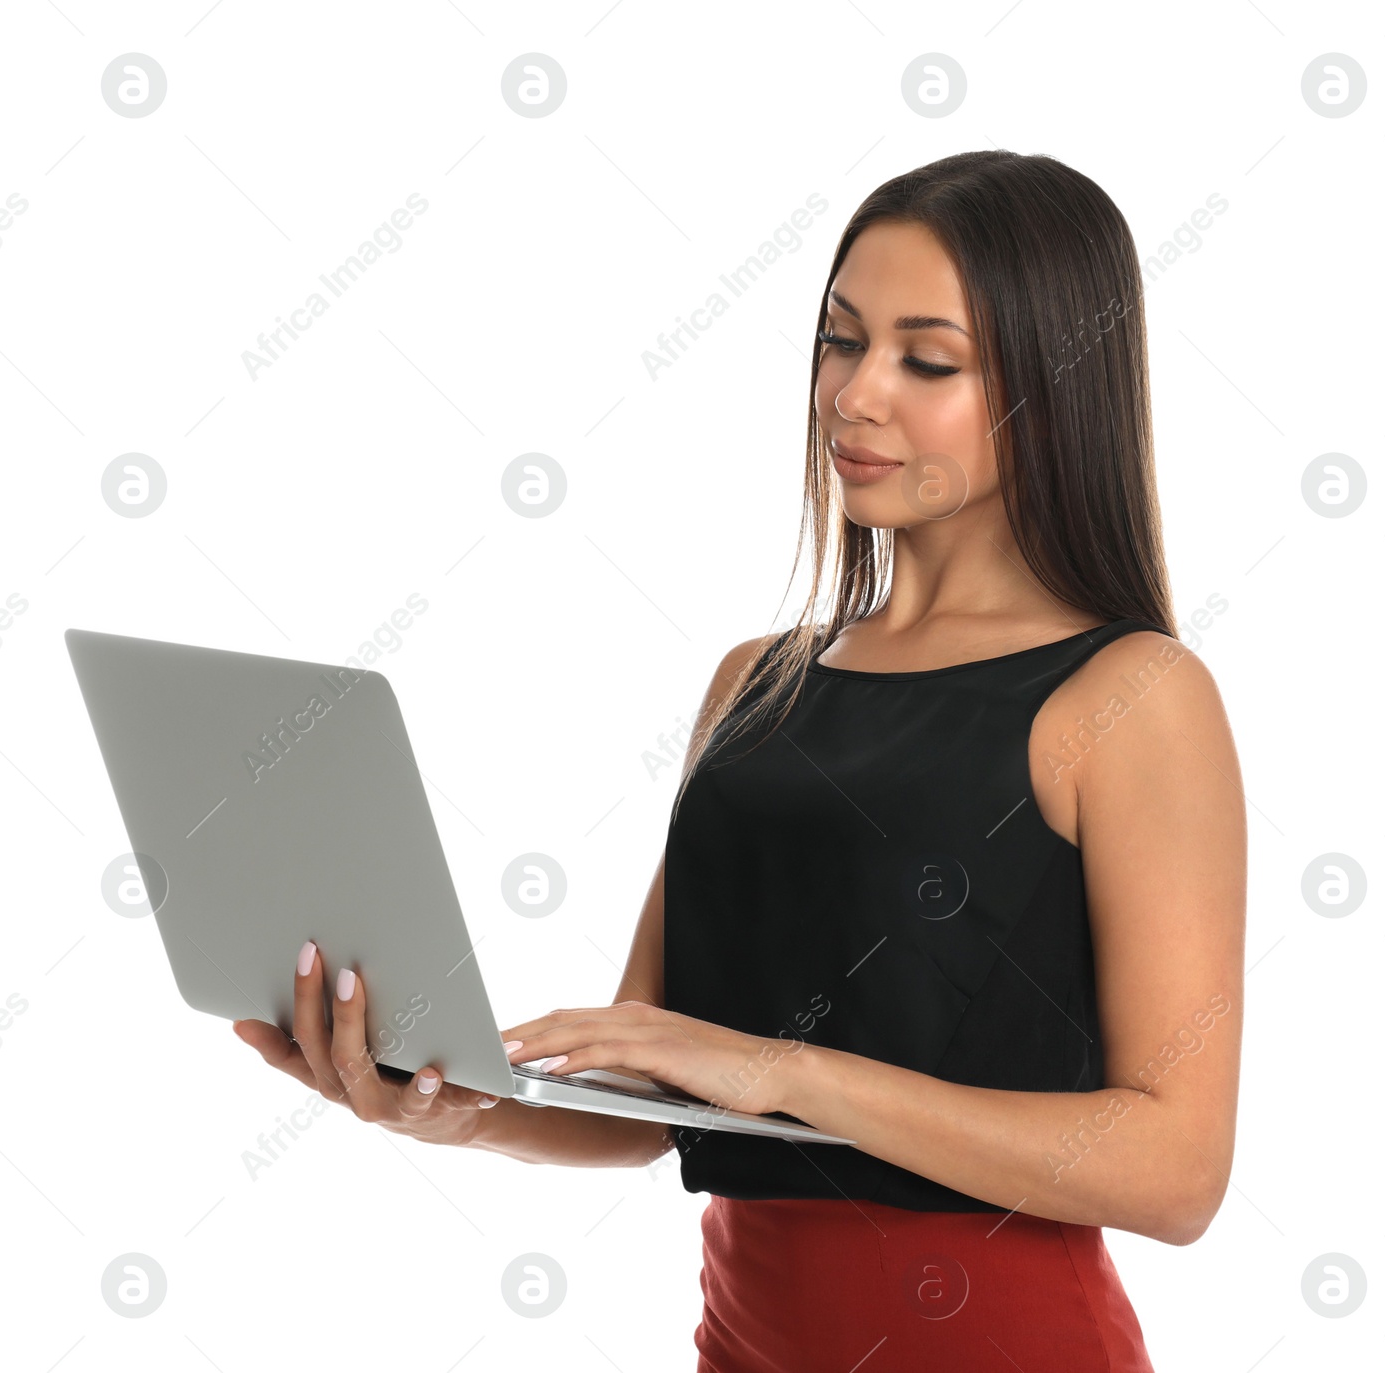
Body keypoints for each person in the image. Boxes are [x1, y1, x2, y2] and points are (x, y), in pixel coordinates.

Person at [233, 148, 1245, 1371]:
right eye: (839, 341)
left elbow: (1175, 1169)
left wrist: (780, 1069)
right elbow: (661, 1093)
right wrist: (445, 1103)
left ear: (1055, 389)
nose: (856, 394)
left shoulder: (1133, 697)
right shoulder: (754, 682)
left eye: (927, 359)